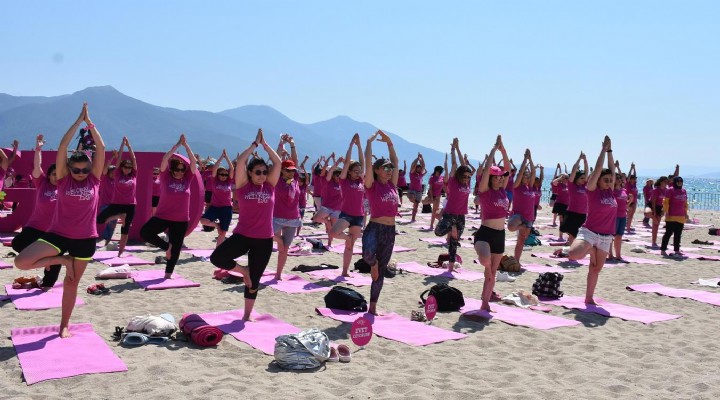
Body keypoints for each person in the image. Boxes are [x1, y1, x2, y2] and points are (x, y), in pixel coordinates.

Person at [15, 103, 105, 338]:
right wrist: (77, 122)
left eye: (85, 170)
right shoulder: (64, 179)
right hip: (58, 235)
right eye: (77, 170)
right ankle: (62, 260)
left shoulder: (94, 180)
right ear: (69, 169)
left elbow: (101, 147)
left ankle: (64, 325)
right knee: (22, 262)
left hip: (85, 240)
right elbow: (64, 146)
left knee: (70, 284)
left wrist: (90, 123)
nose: (81, 173)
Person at [209, 129, 281, 321]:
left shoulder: (270, 186)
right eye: (257, 172)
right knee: (217, 258)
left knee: (254, 281)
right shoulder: (242, 186)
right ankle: (243, 271)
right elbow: (241, 161)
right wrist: (255, 145)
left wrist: (266, 146)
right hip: (243, 235)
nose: (262, 175)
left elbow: (278, 163)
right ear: (250, 173)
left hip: (264, 239)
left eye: (264, 172)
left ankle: (247, 315)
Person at [567, 136, 617, 305]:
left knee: (595, 269)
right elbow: (598, 169)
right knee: (573, 255)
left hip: (605, 236)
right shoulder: (592, 190)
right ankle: (589, 250)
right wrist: (603, 150)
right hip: (589, 232)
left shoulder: (611, 192)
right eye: (606, 180)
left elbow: (612, 168)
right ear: (598, 180)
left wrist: (611, 151)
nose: (609, 182)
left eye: (611, 180)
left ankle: (589, 297)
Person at [140, 134, 198, 279]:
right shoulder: (165, 177)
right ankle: (167, 247)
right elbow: (165, 159)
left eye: (181, 170)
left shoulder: (187, 179)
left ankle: (168, 274)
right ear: (172, 170)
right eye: (176, 169)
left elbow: (193, 162)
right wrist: (177, 145)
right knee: (145, 232)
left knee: (177, 247)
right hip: (163, 216)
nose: (179, 172)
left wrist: (186, 146)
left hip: (181, 219)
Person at [11, 134, 60, 291]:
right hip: (35, 227)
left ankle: (47, 283)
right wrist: (38, 148)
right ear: (49, 175)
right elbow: (37, 167)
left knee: (56, 261)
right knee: (17, 243)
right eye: (53, 174)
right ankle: (45, 260)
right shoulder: (42, 184)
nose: (56, 177)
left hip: (54, 231)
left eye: (59, 174)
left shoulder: (66, 188)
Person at [360, 130, 399, 315]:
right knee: (368, 256)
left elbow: (396, 162)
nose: (389, 170)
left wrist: (390, 142)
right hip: (375, 227)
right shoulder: (372, 185)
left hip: (390, 231)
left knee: (381, 270)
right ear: (377, 170)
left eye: (390, 168)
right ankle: (373, 264)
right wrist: (369, 143)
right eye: (385, 167)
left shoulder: (393, 185)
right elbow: (367, 165)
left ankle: (373, 306)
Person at [474, 135, 511, 312]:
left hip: (500, 235)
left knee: (492, 273)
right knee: (485, 261)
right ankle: (487, 271)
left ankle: (485, 302)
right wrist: (493, 151)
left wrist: (503, 150)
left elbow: (508, 170)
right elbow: (487, 170)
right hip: (485, 233)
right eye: (496, 177)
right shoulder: (485, 192)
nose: (499, 179)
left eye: (500, 177)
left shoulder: (503, 191)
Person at [433, 138, 471, 272]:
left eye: (468, 177)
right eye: (464, 176)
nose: (466, 179)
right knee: (438, 232)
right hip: (450, 214)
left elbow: (464, 164)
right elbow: (457, 163)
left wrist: (460, 148)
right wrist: (454, 150)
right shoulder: (454, 182)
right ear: (459, 175)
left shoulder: (467, 184)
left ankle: (450, 267)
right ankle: (451, 227)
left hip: (461, 216)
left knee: (454, 243)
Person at [330, 134, 365, 276]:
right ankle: (347, 237)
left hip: (359, 216)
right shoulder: (344, 181)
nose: (358, 173)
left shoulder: (361, 181)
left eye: (359, 171)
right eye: (355, 171)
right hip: (346, 214)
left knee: (350, 246)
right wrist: (351, 145)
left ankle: (345, 271)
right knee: (333, 233)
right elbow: (345, 165)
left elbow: (363, 161)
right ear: (349, 171)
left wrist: (359, 145)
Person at [96, 136, 137, 256]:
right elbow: (119, 160)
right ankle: (119, 216)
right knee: (100, 219)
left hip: (130, 205)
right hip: (116, 204)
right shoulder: (118, 174)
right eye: (125, 167)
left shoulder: (133, 175)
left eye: (129, 168)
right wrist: (122, 146)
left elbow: (133, 159)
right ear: (121, 168)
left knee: (125, 230)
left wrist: (129, 146)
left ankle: (120, 253)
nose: (128, 169)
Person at [271, 134, 302, 280]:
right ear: (282, 170)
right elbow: (276, 161)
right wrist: (281, 144)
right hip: (277, 218)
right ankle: (279, 241)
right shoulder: (277, 180)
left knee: (284, 250)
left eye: (292, 170)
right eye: (288, 170)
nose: (291, 172)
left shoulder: (294, 179)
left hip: (292, 219)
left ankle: (278, 274)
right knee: (266, 238)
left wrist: (292, 144)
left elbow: (295, 161)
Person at [199, 149, 235, 247]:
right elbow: (214, 168)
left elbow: (232, 169)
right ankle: (217, 225)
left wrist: (227, 157)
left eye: (225, 175)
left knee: (222, 233)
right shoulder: (214, 181)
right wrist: (221, 158)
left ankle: (218, 251)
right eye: (221, 174)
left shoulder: (229, 182)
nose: (224, 176)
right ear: (218, 175)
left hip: (226, 208)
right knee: (203, 220)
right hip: (215, 207)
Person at [507, 149, 537, 265]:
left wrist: (531, 159)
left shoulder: (530, 187)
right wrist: (525, 160)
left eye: (528, 176)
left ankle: (517, 261)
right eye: (525, 175)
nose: (527, 177)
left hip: (529, 218)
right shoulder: (517, 187)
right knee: (510, 227)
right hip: (519, 215)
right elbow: (520, 173)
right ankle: (520, 227)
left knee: (521, 241)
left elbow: (534, 173)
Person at [559, 152, 589, 245]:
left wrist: (585, 161)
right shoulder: (572, 185)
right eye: (582, 178)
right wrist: (579, 159)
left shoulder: (584, 186)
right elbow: (573, 171)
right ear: (576, 179)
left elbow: (587, 172)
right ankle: (570, 247)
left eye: (584, 178)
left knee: (575, 234)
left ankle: (571, 247)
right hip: (572, 212)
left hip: (583, 214)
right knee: (568, 231)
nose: (584, 180)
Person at [661, 176, 688, 258]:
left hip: (681, 215)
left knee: (678, 234)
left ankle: (677, 250)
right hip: (671, 215)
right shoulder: (670, 190)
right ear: (675, 182)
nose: (679, 182)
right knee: (668, 233)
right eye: (678, 181)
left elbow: (685, 203)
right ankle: (663, 249)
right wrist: (666, 211)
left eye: (681, 181)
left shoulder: (683, 191)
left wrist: (686, 213)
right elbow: (665, 201)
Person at [608, 162, 629, 261]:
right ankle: (610, 255)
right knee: (611, 236)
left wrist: (630, 202)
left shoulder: (624, 190)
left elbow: (625, 203)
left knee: (619, 236)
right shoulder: (612, 190)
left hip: (622, 215)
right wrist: (614, 167)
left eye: (620, 179)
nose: (620, 180)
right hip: (614, 216)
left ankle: (618, 255)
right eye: (618, 178)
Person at [650, 176, 669, 248]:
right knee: (654, 224)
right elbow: (653, 202)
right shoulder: (656, 190)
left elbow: (666, 202)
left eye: (667, 182)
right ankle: (653, 242)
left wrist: (664, 210)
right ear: (661, 182)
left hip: (661, 207)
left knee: (656, 225)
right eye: (665, 182)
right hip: (653, 205)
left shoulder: (666, 190)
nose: (666, 183)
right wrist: (654, 213)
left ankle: (654, 241)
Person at [406, 153, 426, 222]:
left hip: (419, 191)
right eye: (418, 168)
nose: (420, 169)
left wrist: (422, 158)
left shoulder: (421, 174)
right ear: (416, 168)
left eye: (420, 168)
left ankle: (413, 218)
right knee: (412, 199)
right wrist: (417, 158)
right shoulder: (412, 173)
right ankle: (411, 199)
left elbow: (423, 165)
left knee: (416, 205)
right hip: (412, 191)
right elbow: (413, 165)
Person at [427, 163, 445, 230]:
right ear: (437, 171)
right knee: (434, 211)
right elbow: (430, 188)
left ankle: (437, 223)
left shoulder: (442, 178)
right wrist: (431, 197)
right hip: (433, 196)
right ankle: (431, 225)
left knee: (436, 211)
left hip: (438, 196)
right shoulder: (432, 178)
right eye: (441, 171)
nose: (441, 172)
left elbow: (444, 187)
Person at [296, 155, 310, 236]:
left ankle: (297, 234)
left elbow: (307, 176)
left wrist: (304, 169)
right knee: (295, 219)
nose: (299, 182)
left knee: (300, 220)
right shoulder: (295, 185)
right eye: (298, 181)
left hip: (302, 205)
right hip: (295, 205)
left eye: (301, 181)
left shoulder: (304, 186)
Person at [625, 163, 639, 232]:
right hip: (628, 201)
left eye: (634, 179)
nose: (634, 180)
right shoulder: (628, 184)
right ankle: (626, 226)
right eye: (632, 179)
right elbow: (629, 176)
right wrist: (631, 168)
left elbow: (635, 175)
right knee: (628, 214)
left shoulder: (634, 185)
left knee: (631, 215)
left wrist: (634, 168)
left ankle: (628, 228)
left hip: (634, 202)